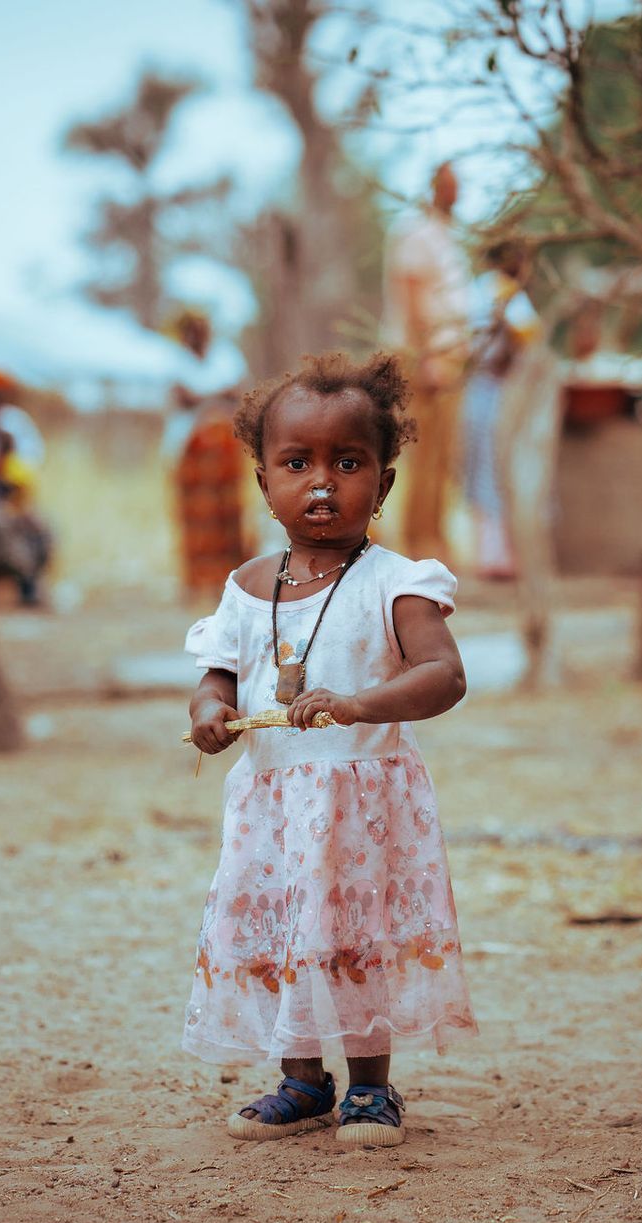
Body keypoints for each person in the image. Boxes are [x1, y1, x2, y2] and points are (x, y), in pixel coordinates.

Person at [183, 351, 477, 1147]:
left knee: (355, 935)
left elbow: (444, 676)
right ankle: (301, 1081)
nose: (321, 482)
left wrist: (356, 704)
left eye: (348, 463)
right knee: (287, 931)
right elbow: (215, 677)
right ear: (263, 480)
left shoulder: (397, 582)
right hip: (272, 808)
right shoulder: (245, 587)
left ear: (381, 484)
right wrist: (211, 713)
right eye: (298, 463)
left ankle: (372, 1090)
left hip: (363, 810)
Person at [383, 162, 471, 562]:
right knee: (424, 450)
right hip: (426, 356)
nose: (456, 193)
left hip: (451, 354)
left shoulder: (450, 237)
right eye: (450, 186)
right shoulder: (416, 234)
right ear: (435, 187)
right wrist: (427, 358)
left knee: (444, 454)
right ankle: (418, 542)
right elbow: (412, 298)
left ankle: (436, 537)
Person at [461, 241, 542, 579]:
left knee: (494, 468)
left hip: (494, 392)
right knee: (491, 469)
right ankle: (494, 556)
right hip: (491, 390)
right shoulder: (496, 291)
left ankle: (500, 553)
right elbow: (520, 340)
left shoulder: (492, 292)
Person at [162, 310, 250, 595]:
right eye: (192, 329)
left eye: (202, 327)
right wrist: (216, 396)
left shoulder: (226, 356)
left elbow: (239, 392)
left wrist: (205, 398)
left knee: (229, 513)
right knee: (197, 516)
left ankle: (232, 577)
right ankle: (198, 580)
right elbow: (182, 397)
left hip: (225, 451)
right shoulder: (175, 360)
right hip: (190, 447)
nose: (198, 334)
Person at [0, 371, 52, 606]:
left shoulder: (13, 423)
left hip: (12, 494)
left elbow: (27, 466)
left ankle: (28, 587)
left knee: (37, 529)